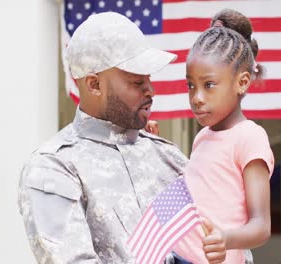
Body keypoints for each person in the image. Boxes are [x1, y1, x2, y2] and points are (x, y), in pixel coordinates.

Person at [17, 12, 225, 264]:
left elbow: (224, 243)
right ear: (94, 84)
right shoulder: (54, 167)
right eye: (137, 81)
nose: (151, 90)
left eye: (149, 78)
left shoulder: (167, 159)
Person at [170, 9, 275, 264]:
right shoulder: (202, 137)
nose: (197, 97)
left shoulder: (250, 137)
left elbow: (261, 226)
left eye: (209, 85)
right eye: (190, 85)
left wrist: (226, 239)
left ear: (242, 82)